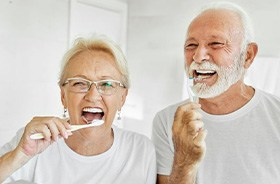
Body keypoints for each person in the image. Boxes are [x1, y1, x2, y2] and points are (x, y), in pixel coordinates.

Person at [152, 2, 280, 184]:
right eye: (191, 45)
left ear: (248, 55)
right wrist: (184, 162)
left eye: (216, 44)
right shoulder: (167, 121)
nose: (198, 56)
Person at [0, 35, 156, 183]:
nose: (93, 96)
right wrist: (20, 155)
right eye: (79, 83)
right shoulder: (33, 140)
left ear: (122, 98)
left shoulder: (141, 150)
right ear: (63, 96)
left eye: (106, 84)